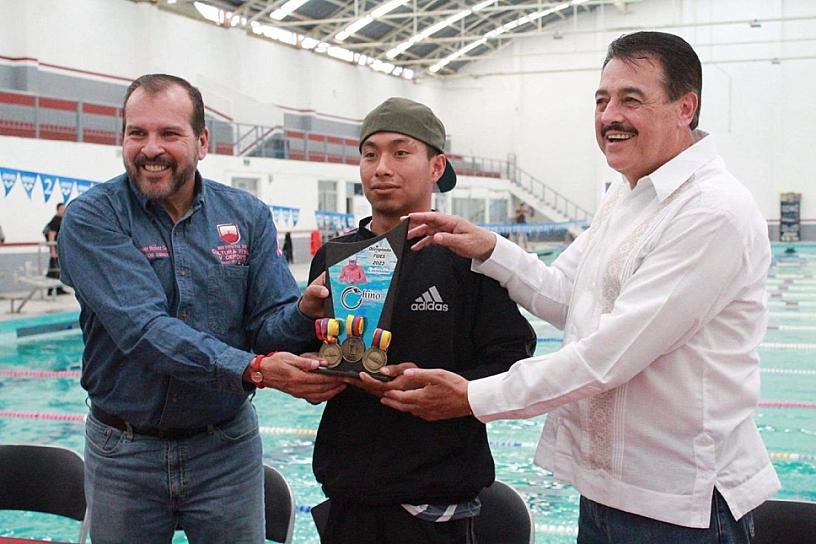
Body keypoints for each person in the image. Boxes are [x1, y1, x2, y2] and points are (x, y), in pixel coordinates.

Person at [383, 32, 780, 543]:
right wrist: (488, 248)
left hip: (683, 504)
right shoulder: (628, 194)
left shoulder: (711, 211)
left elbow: (609, 356)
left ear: (686, 107)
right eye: (602, 99)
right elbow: (567, 295)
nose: (609, 115)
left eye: (630, 99)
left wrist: (473, 396)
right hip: (609, 492)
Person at [58, 73, 344, 543]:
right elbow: (144, 329)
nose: (151, 148)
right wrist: (255, 370)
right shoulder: (94, 217)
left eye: (169, 133)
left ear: (202, 141)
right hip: (123, 453)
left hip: (225, 450)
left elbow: (267, 327)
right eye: (137, 133)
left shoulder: (247, 215)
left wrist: (305, 312)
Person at [307, 97, 536, 544]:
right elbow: (309, 349)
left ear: (436, 167)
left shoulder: (466, 258)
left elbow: (513, 359)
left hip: (435, 505)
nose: (382, 168)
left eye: (401, 152)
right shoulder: (336, 258)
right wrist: (310, 367)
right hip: (350, 497)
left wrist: (459, 394)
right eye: (369, 154)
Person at [44, 202, 68, 295]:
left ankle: (57, 289)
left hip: (59, 248)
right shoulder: (56, 220)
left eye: (64, 209)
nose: (63, 211)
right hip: (55, 249)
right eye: (61, 209)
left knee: (56, 270)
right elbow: (51, 235)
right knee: (54, 270)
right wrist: (53, 250)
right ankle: (51, 290)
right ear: (57, 210)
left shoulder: (61, 219)